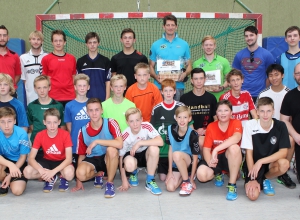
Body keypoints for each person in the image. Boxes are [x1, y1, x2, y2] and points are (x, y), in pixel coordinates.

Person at [72, 98, 123, 198]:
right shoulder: (82, 130)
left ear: (102, 110)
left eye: (97, 110)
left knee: (112, 149)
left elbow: (120, 144)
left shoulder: (111, 123)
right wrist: (79, 180)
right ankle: (98, 174)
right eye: (91, 110)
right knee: (80, 173)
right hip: (93, 159)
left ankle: (109, 183)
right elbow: (81, 155)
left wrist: (97, 141)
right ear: (87, 112)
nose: (94, 113)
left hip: (108, 159)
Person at [242, 97, 290, 201]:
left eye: (268, 111)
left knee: (284, 164)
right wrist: (253, 178)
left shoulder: (281, 126)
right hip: (253, 166)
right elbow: (248, 154)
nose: (265, 115)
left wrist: (261, 161)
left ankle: (265, 179)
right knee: (253, 196)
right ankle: (257, 178)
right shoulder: (250, 125)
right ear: (257, 112)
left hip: (269, 163)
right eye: (262, 111)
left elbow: (284, 152)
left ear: (273, 112)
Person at [256, 64, 295, 188]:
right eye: (271, 75)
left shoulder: (289, 93)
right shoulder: (263, 94)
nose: (274, 78)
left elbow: (292, 117)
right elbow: (257, 116)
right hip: (266, 131)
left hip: (282, 131)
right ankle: (262, 172)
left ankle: (283, 173)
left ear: (282, 75)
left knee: (291, 140)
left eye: (276, 74)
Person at [196, 100, 242, 201]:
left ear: (231, 113)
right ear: (216, 113)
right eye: (220, 111)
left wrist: (217, 148)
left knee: (234, 147)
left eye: (226, 110)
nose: (223, 113)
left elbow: (237, 138)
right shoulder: (211, 126)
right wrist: (210, 162)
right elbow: (206, 149)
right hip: (215, 158)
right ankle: (218, 173)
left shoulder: (236, 123)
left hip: (228, 156)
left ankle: (232, 185)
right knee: (201, 175)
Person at [23, 108, 74, 192]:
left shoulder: (65, 134)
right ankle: (51, 177)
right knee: (27, 172)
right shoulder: (39, 135)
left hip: (62, 161)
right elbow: (31, 158)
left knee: (69, 175)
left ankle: (61, 176)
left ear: (59, 122)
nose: (52, 126)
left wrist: (53, 171)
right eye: (49, 122)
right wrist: (41, 170)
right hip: (47, 161)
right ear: (44, 122)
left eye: (55, 122)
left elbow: (69, 159)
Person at [118, 107, 163, 195]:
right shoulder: (125, 135)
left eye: (137, 120)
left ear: (142, 119)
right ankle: (133, 172)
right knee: (129, 165)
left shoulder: (147, 126)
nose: (135, 124)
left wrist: (140, 143)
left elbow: (160, 142)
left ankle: (150, 181)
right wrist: (124, 180)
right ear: (127, 122)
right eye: (131, 121)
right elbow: (121, 157)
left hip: (145, 154)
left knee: (154, 148)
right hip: (132, 155)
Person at [149, 14, 192, 101]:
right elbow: (151, 66)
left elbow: (189, 66)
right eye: (168, 25)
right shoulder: (155, 44)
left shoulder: (184, 44)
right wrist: (156, 77)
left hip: (178, 86)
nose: (170, 27)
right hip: (160, 87)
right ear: (163, 27)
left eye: (172, 25)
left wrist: (184, 74)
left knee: (177, 113)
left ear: (176, 26)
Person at [150, 78, 185, 181]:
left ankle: (186, 174)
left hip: (177, 149)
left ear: (175, 91)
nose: (168, 93)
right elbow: (152, 131)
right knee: (162, 178)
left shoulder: (180, 107)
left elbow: (189, 127)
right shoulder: (156, 109)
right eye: (165, 90)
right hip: (162, 151)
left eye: (171, 90)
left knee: (174, 177)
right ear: (161, 92)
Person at [232, 26, 274, 103]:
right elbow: (236, 76)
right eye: (246, 36)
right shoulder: (239, 55)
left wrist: (265, 91)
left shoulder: (267, 55)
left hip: (260, 95)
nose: (249, 38)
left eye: (251, 35)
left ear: (257, 35)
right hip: (243, 94)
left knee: (260, 115)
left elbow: (270, 75)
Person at [165, 106, 200, 196]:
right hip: (177, 162)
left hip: (189, 161)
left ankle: (187, 182)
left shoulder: (193, 134)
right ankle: (185, 176)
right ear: (175, 118)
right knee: (170, 187)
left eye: (185, 117)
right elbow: (170, 150)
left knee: (176, 155)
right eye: (179, 117)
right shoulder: (170, 129)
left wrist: (192, 179)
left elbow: (195, 158)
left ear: (189, 119)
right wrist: (169, 172)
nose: (182, 120)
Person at [180, 68, 217, 147]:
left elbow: (216, 119)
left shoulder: (211, 98)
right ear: (192, 81)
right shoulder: (184, 98)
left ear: (205, 79)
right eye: (196, 79)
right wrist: (194, 131)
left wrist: (206, 131)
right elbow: (180, 120)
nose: (199, 81)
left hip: (208, 134)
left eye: (201, 78)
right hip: (189, 134)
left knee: (202, 141)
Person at [0, 107, 30, 196]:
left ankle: (8, 178)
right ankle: (3, 177)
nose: (6, 125)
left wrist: (10, 176)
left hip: (18, 161)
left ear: (14, 121)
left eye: (9, 121)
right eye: (2, 122)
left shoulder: (22, 134)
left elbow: (23, 157)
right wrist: (9, 165)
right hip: (4, 159)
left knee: (17, 191)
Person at [27, 75, 65, 145]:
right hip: (38, 145)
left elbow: (62, 127)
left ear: (49, 88)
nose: (42, 91)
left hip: (55, 144)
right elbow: (32, 126)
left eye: (45, 87)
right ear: (35, 89)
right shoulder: (31, 106)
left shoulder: (58, 105)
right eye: (39, 88)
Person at [41, 30, 76, 106]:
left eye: (60, 40)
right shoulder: (46, 59)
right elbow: (44, 79)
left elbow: (74, 77)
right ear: (52, 42)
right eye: (55, 41)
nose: (58, 43)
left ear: (65, 42)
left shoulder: (72, 58)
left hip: (70, 96)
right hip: (53, 97)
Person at [193, 35, 231, 100]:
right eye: (206, 45)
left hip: (219, 98)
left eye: (210, 45)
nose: (208, 47)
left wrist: (222, 87)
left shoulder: (224, 61)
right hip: (202, 98)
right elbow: (193, 81)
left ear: (215, 46)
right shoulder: (196, 64)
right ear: (202, 46)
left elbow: (230, 79)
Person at [64, 74, 91, 167]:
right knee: (76, 171)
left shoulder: (93, 103)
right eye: (79, 86)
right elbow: (69, 126)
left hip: (91, 141)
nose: (82, 88)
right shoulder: (69, 105)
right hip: (76, 142)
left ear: (88, 87)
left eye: (84, 86)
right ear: (75, 87)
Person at [281, 63, 300, 185]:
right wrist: (296, 136)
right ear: (294, 75)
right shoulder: (290, 96)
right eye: (298, 73)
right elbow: (284, 120)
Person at [77, 32, 111, 101]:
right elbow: (78, 82)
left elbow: (108, 82)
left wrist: (107, 100)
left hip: (102, 99)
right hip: (85, 99)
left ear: (98, 43)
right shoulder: (80, 61)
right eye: (90, 42)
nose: (92, 45)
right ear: (86, 44)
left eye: (94, 42)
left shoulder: (105, 60)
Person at [20, 30, 47, 104]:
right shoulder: (23, 58)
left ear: (42, 41)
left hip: (46, 95)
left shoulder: (47, 57)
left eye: (38, 39)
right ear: (30, 40)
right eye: (33, 39)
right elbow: (24, 79)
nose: (36, 42)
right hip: (30, 96)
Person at [0, 25, 21, 97]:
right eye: (0, 35)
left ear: (8, 38)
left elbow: (18, 74)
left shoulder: (14, 55)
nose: (2, 38)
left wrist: (10, 86)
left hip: (11, 93)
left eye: (4, 35)